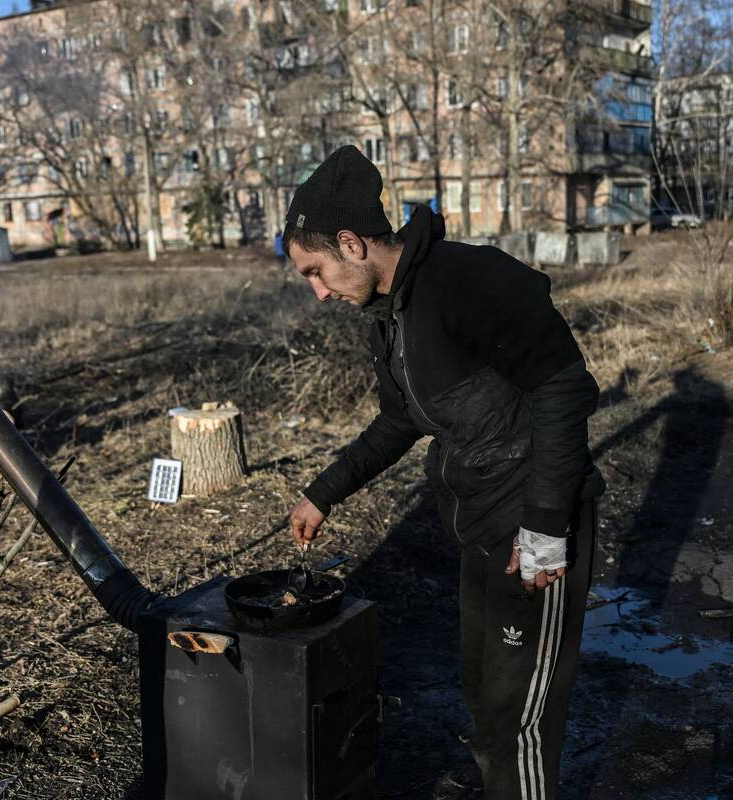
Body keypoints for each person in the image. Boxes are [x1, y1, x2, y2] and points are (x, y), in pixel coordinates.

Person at [283, 146, 604, 800]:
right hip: (479, 530)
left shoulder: (467, 280)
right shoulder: (390, 318)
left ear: (351, 243)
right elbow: (400, 422)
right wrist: (324, 493)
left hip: (532, 536)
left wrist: (544, 528)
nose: (317, 292)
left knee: (521, 726)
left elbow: (564, 388)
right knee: (485, 703)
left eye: (316, 271)